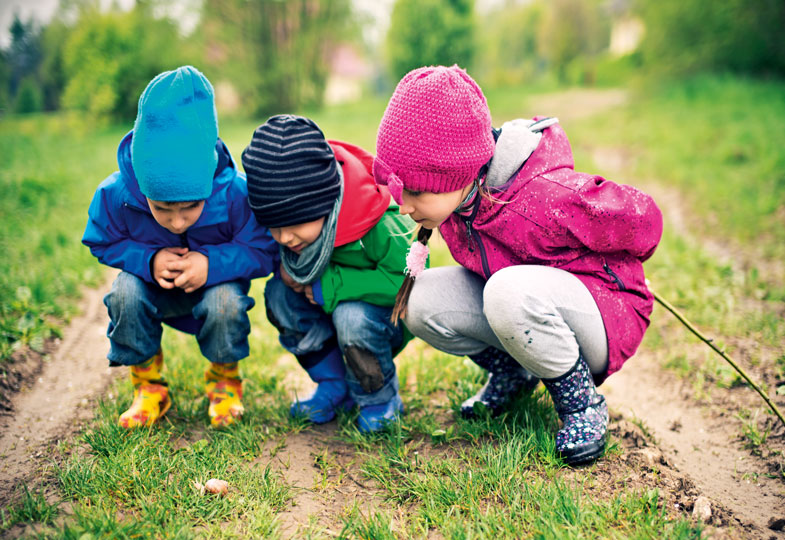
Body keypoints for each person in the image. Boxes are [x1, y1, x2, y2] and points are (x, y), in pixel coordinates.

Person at [373, 65, 663, 465]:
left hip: (604, 314)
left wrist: (619, 268)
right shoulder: (460, 202)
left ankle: (582, 404)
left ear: (456, 173)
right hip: (525, 307)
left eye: (416, 191)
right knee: (419, 301)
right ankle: (516, 374)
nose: (404, 206)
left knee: (506, 290)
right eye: (400, 189)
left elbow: (645, 220)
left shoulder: (545, 196)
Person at [82, 66, 278, 428]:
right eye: (161, 209)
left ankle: (224, 383)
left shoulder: (235, 192)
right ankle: (148, 387)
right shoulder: (116, 194)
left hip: (214, 288)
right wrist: (148, 259)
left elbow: (264, 249)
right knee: (124, 291)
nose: (177, 222)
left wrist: (212, 264)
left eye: (191, 207)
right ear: (142, 187)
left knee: (225, 303)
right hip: (152, 288)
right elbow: (101, 239)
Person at [242, 114, 417, 433]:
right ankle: (335, 385)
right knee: (279, 295)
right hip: (328, 311)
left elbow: (407, 282)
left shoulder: (377, 221)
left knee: (351, 316)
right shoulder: (289, 233)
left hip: (380, 319)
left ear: (325, 204)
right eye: (274, 227)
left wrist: (331, 284)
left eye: (294, 225)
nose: (284, 238)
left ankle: (378, 397)